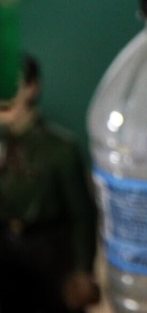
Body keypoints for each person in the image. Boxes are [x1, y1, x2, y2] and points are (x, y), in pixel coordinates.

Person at [0, 54, 100, 313]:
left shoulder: (60, 150)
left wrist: (83, 271)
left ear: (31, 88)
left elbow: (82, 215)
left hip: (51, 255)